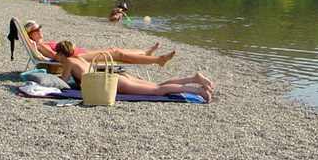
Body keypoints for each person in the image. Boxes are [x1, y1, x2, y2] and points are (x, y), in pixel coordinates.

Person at [55, 40, 213, 102]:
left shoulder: (68, 61)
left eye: (57, 54)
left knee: (158, 90)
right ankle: (193, 78)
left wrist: (53, 76)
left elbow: (63, 82)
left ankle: (198, 91)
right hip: (115, 76)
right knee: (156, 86)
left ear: (62, 54)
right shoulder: (80, 59)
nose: (55, 56)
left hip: (115, 82)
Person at [24, 20, 175, 66]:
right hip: (79, 57)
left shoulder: (41, 44)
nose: (40, 31)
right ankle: (158, 60)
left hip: (80, 53)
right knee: (117, 54)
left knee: (115, 50)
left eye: (40, 28)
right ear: (32, 34)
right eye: (37, 30)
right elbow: (58, 58)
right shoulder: (41, 46)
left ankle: (145, 53)